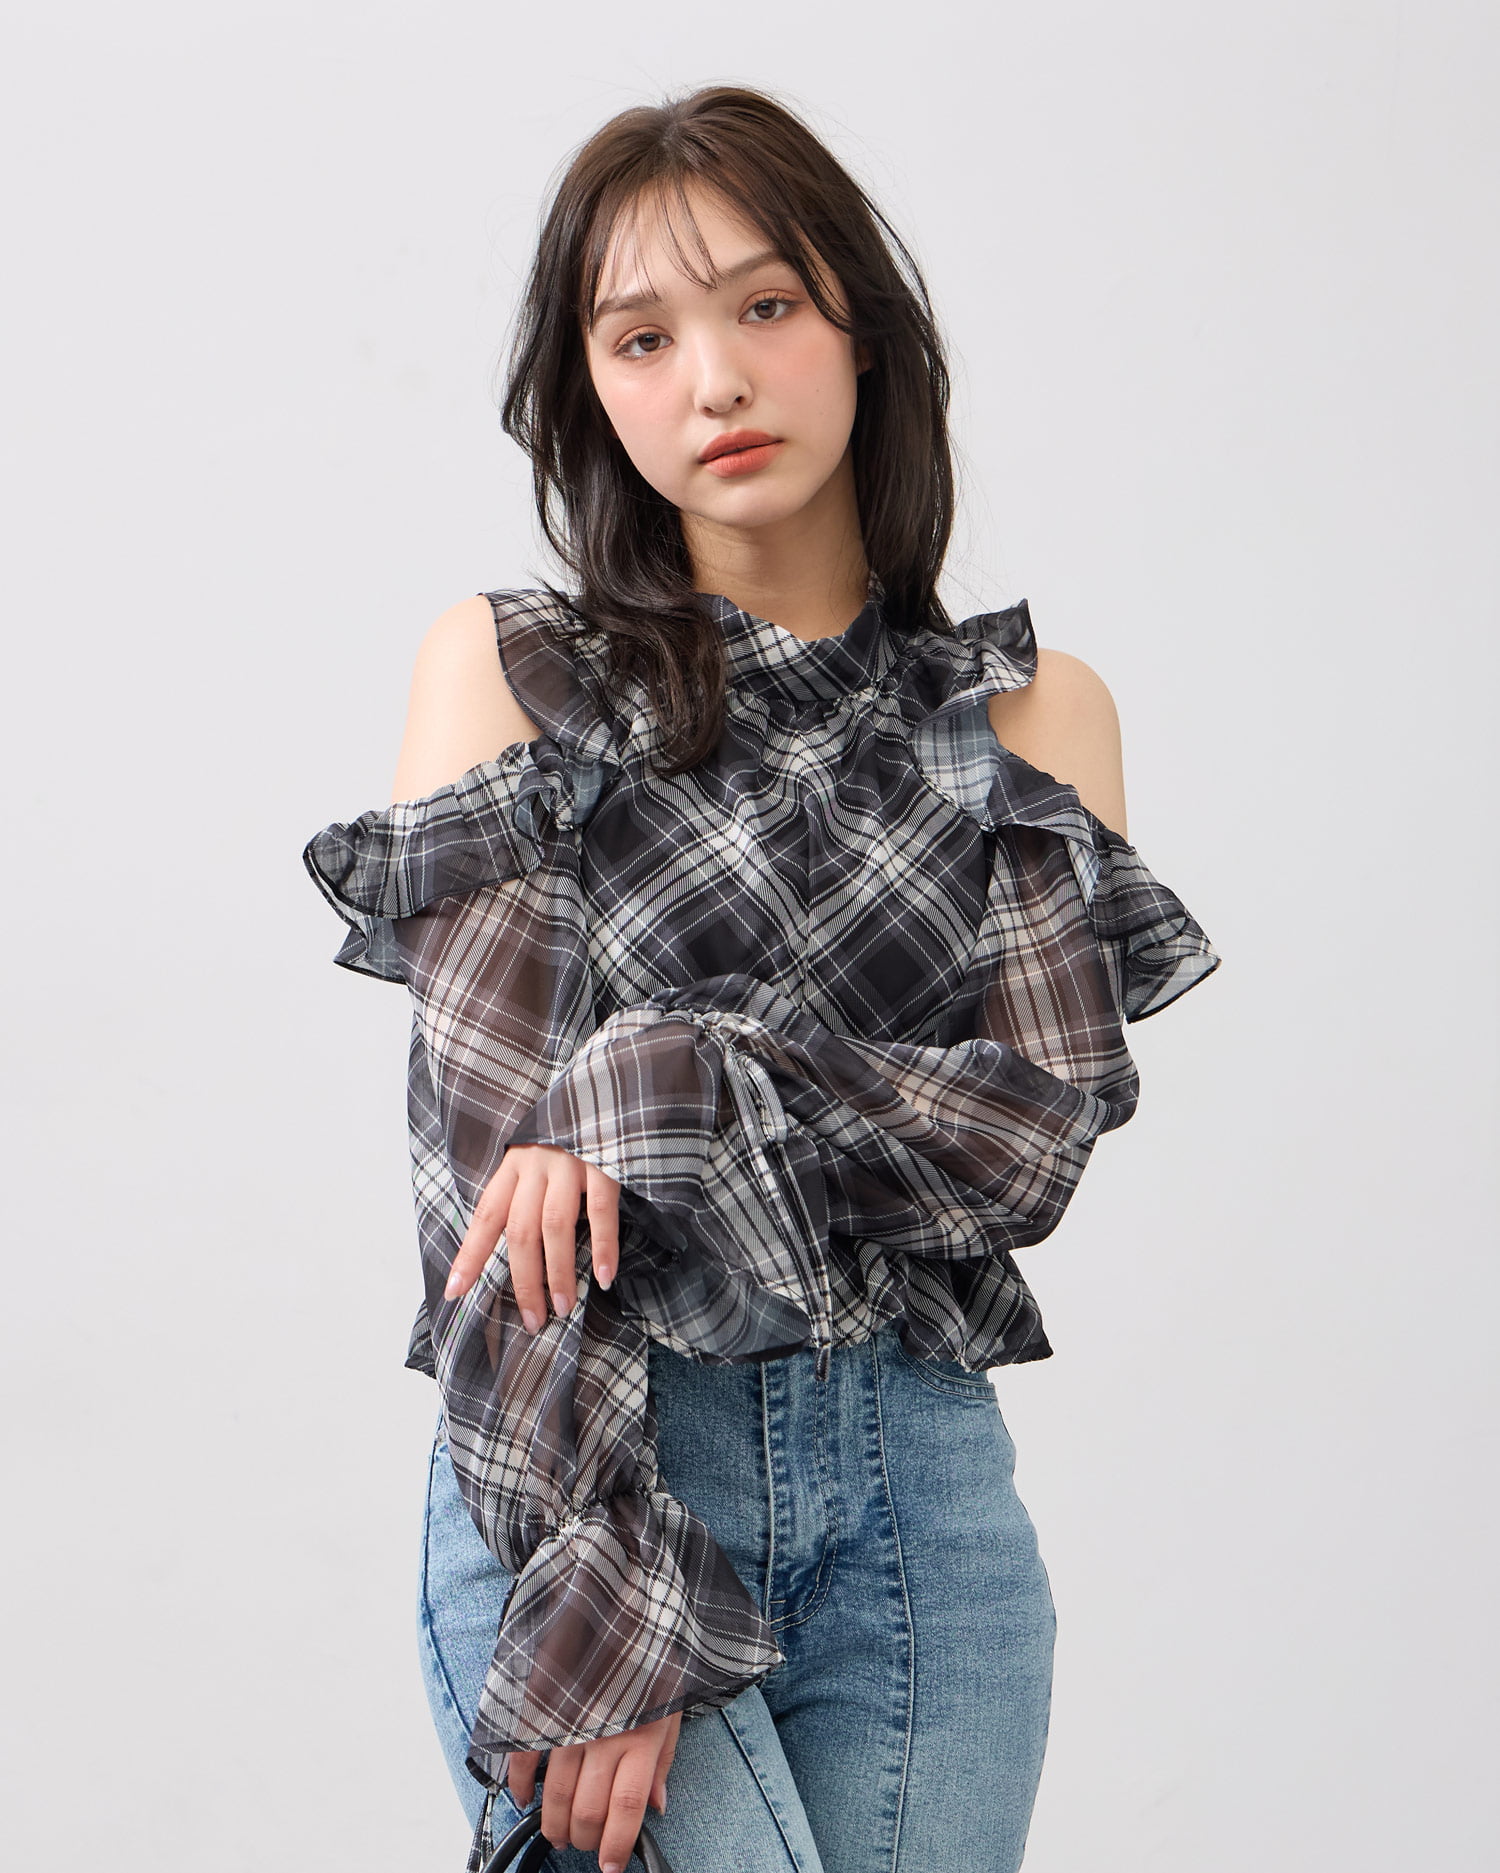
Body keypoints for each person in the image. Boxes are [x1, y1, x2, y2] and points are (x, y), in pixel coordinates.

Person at [302, 84, 1221, 1873]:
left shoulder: (1032, 717)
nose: (714, 380)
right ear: (594, 390)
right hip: (593, 1463)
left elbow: (1020, 1147)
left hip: (922, 1507)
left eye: (765, 306)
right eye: (642, 338)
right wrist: (603, 1586)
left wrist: (675, 1072)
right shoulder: (512, 677)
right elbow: (487, 1215)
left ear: (859, 327)